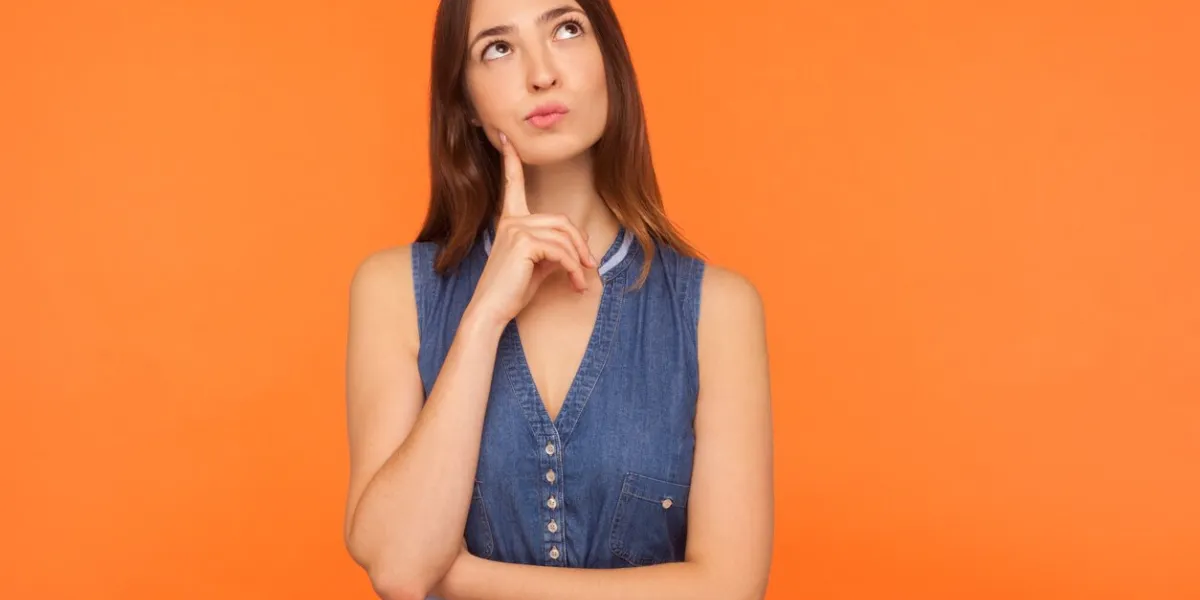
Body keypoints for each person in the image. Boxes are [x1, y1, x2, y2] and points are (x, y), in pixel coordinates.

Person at [342, 1, 773, 598]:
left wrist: (457, 576)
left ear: (610, 63)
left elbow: (730, 588)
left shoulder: (717, 311)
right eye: (498, 47)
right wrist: (485, 315)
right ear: (464, 100)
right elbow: (395, 564)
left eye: (567, 29)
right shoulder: (393, 291)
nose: (541, 73)